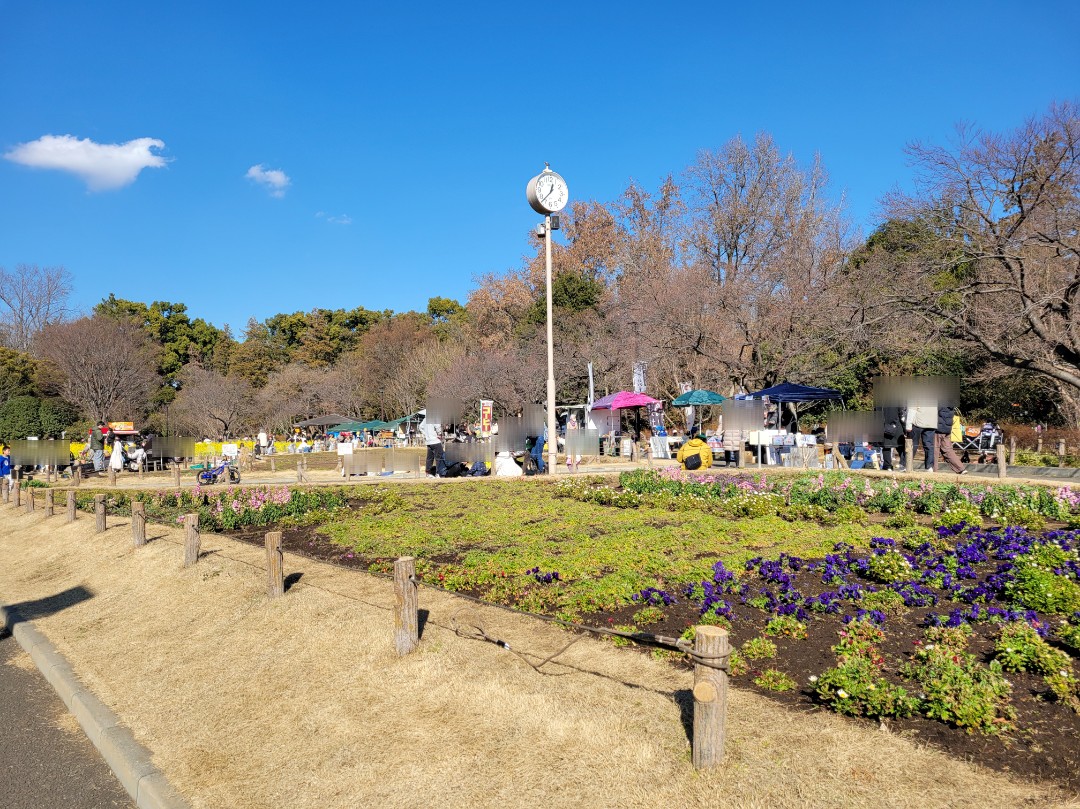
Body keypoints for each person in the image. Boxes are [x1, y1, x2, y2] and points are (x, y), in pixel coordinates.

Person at [904, 403, 937, 472]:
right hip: (931, 423)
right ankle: (929, 466)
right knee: (929, 445)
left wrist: (908, 425)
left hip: (918, 423)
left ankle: (907, 465)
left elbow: (912, 410)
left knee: (913, 445)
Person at [935, 405, 967, 474]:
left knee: (934, 449)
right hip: (947, 429)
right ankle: (960, 468)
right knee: (948, 450)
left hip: (937, 428)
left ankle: (933, 469)